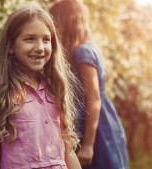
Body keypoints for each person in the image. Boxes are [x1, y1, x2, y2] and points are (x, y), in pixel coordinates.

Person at [0, 3, 82, 169]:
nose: (39, 48)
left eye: (46, 40)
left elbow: (68, 151)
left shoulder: (56, 89)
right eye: (29, 39)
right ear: (11, 46)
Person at [49, 0, 129, 169]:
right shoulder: (89, 47)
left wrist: (88, 145)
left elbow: (93, 98)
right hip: (99, 123)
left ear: (66, 22)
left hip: (96, 129)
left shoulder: (82, 52)